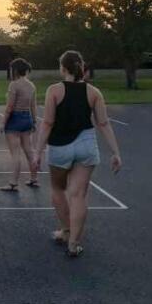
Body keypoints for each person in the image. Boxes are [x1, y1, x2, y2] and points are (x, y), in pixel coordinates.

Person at [33, 50, 122, 257]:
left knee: (58, 189)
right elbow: (103, 123)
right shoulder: (94, 92)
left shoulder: (54, 91)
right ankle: (73, 244)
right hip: (86, 145)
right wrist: (116, 152)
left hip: (60, 147)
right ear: (81, 67)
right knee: (79, 195)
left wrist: (37, 152)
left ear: (62, 68)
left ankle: (65, 231)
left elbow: (47, 122)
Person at [0, 58, 39, 191]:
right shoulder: (31, 85)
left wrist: (3, 123)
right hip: (26, 118)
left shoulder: (14, 85)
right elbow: (33, 106)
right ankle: (34, 179)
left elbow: (9, 107)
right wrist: (33, 121)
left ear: (15, 70)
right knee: (29, 150)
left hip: (14, 119)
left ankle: (13, 183)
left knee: (15, 153)